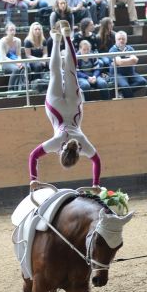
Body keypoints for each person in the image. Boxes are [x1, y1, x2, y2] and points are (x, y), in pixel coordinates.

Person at [29, 20, 101, 192]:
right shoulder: (55, 144)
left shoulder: (83, 144)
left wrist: (96, 183)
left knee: (70, 70)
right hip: (56, 109)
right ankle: (56, 38)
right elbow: (33, 156)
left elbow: (97, 161)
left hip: (74, 106)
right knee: (54, 74)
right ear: (61, 153)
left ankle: (67, 38)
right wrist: (33, 179)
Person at [109, 30, 147, 98]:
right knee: (125, 86)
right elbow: (120, 62)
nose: (121, 40)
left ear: (126, 40)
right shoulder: (113, 50)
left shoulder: (130, 48)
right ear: (115, 40)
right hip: (117, 73)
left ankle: (121, 92)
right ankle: (131, 103)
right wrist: (129, 60)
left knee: (143, 81)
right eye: (119, 39)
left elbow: (135, 60)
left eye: (123, 39)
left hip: (130, 73)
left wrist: (122, 62)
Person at [0, 22, 23, 91]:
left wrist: (20, 62)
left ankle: (22, 87)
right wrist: (16, 63)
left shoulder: (18, 40)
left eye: (14, 30)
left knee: (27, 67)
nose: (13, 32)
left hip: (16, 61)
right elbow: (3, 57)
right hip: (4, 63)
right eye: (11, 30)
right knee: (16, 69)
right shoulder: (2, 41)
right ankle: (10, 89)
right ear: (6, 31)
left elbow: (18, 54)